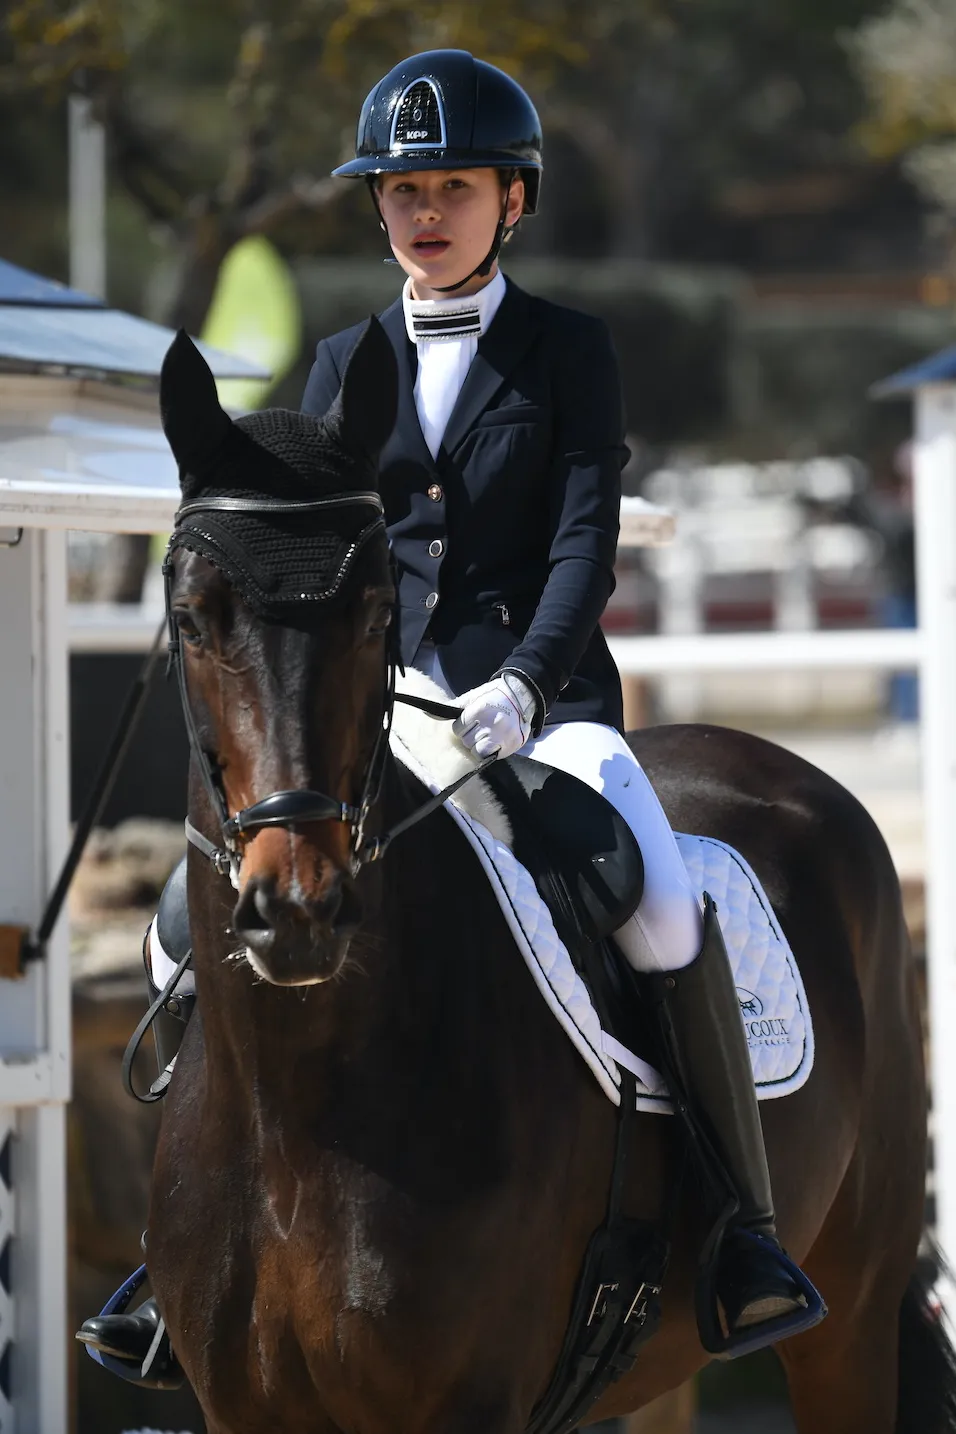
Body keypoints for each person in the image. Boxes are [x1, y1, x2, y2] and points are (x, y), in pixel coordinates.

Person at [77, 48, 820, 1381]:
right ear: (378, 209)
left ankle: (739, 1228)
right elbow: (311, 565)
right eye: (405, 190)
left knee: (653, 890)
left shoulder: (567, 351)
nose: (428, 213)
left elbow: (584, 540)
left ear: (512, 202)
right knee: (185, 926)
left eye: (457, 188)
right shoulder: (340, 359)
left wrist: (531, 676)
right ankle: (181, 1240)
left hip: (539, 706)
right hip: (372, 714)